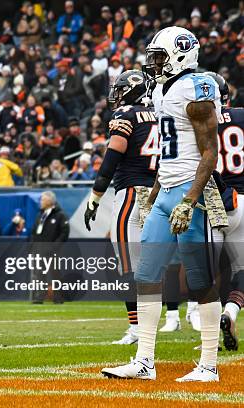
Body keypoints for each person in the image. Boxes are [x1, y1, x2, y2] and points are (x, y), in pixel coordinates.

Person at [102, 27, 222, 382]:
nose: (153, 64)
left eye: (159, 56)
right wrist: (155, 192)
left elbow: (210, 152)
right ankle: (144, 362)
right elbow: (168, 152)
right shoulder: (160, 89)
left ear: (182, 54)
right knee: (145, 276)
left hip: (189, 193)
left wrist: (190, 200)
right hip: (166, 188)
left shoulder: (195, 89)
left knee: (200, 281)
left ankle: (209, 365)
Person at [84, 70, 159, 345]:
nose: (117, 94)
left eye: (120, 88)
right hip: (157, 195)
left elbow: (112, 159)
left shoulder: (125, 114)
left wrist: (95, 197)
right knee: (153, 268)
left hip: (130, 195)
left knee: (128, 267)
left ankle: (138, 329)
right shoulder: (160, 113)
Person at [204, 72, 243, 352]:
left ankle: (209, 338)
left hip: (214, 199)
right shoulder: (241, 115)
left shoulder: (202, 122)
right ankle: (231, 310)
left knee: (210, 271)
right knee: (241, 267)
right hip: (242, 199)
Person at [29, 191, 69, 303]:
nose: (40, 202)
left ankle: (58, 297)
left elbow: (64, 233)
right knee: (39, 275)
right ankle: (39, 297)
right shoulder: (40, 215)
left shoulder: (60, 215)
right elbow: (34, 231)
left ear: (50, 201)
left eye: (42, 199)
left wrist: (54, 247)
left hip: (53, 251)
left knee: (55, 274)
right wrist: (33, 245)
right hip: (39, 250)